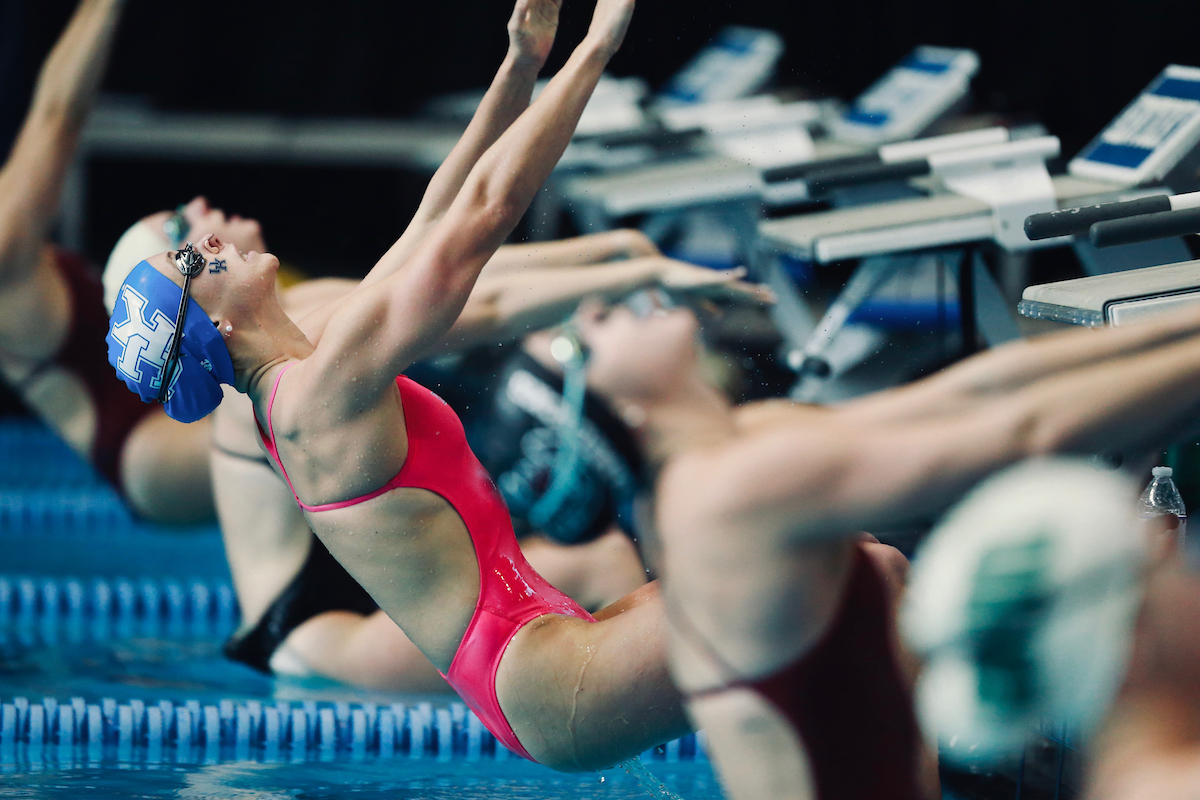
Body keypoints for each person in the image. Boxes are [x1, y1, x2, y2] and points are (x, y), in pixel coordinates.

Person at [106, 0, 693, 771]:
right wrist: (597, 46)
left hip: (545, 656)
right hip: (547, 678)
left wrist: (520, 64)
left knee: (853, 570)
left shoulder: (308, 370)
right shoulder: (316, 396)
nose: (207, 241)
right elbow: (481, 219)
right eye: (190, 264)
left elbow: (432, 220)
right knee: (862, 580)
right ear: (210, 333)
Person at [569, 295, 1200, 799]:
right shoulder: (724, 497)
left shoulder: (741, 444)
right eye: (580, 343)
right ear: (624, 411)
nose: (595, 310)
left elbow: (979, 391)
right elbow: (1025, 430)